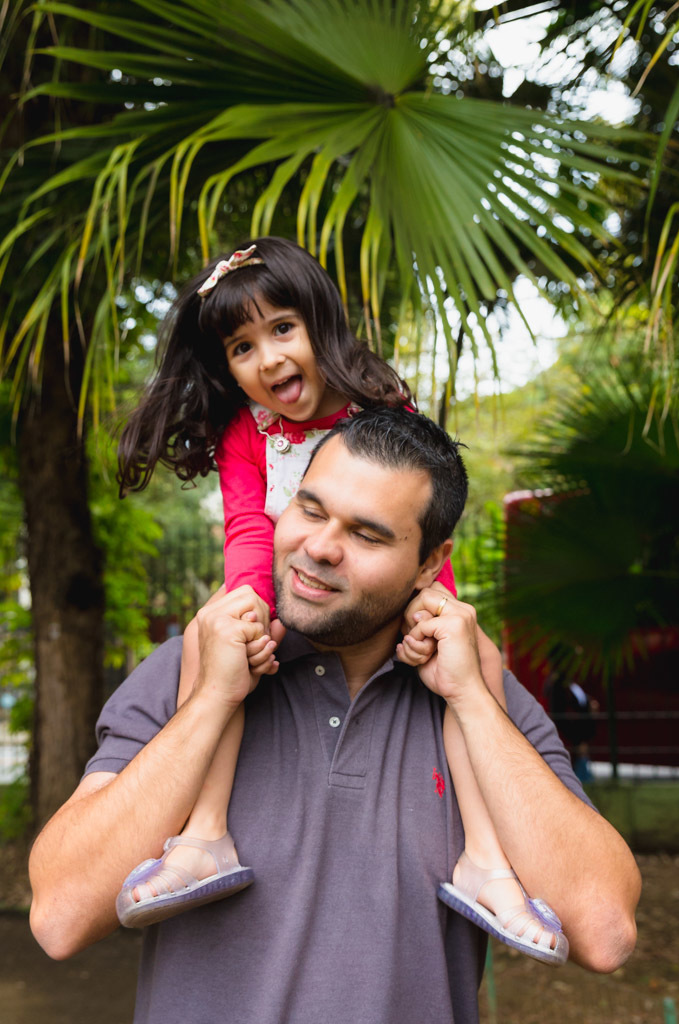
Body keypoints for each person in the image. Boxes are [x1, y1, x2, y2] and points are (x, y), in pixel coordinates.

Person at [28, 409, 640, 1024]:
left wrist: (471, 700)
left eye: (367, 536)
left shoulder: (482, 696)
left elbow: (604, 931)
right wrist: (211, 700)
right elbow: (59, 918)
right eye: (310, 510)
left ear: (431, 564)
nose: (319, 548)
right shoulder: (187, 669)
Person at [114, 237, 563, 961]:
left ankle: (486, 859)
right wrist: (248, 605)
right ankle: (203, 837)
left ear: (318, 322)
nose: (267, 359)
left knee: (474, 659)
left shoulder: (377, 405)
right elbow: (248, 524)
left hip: (380, 591)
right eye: (241, 347)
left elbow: (418, 519)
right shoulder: (245, 430)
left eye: (281, 329)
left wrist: (434, 607)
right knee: (208, 634)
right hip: (283, 585)